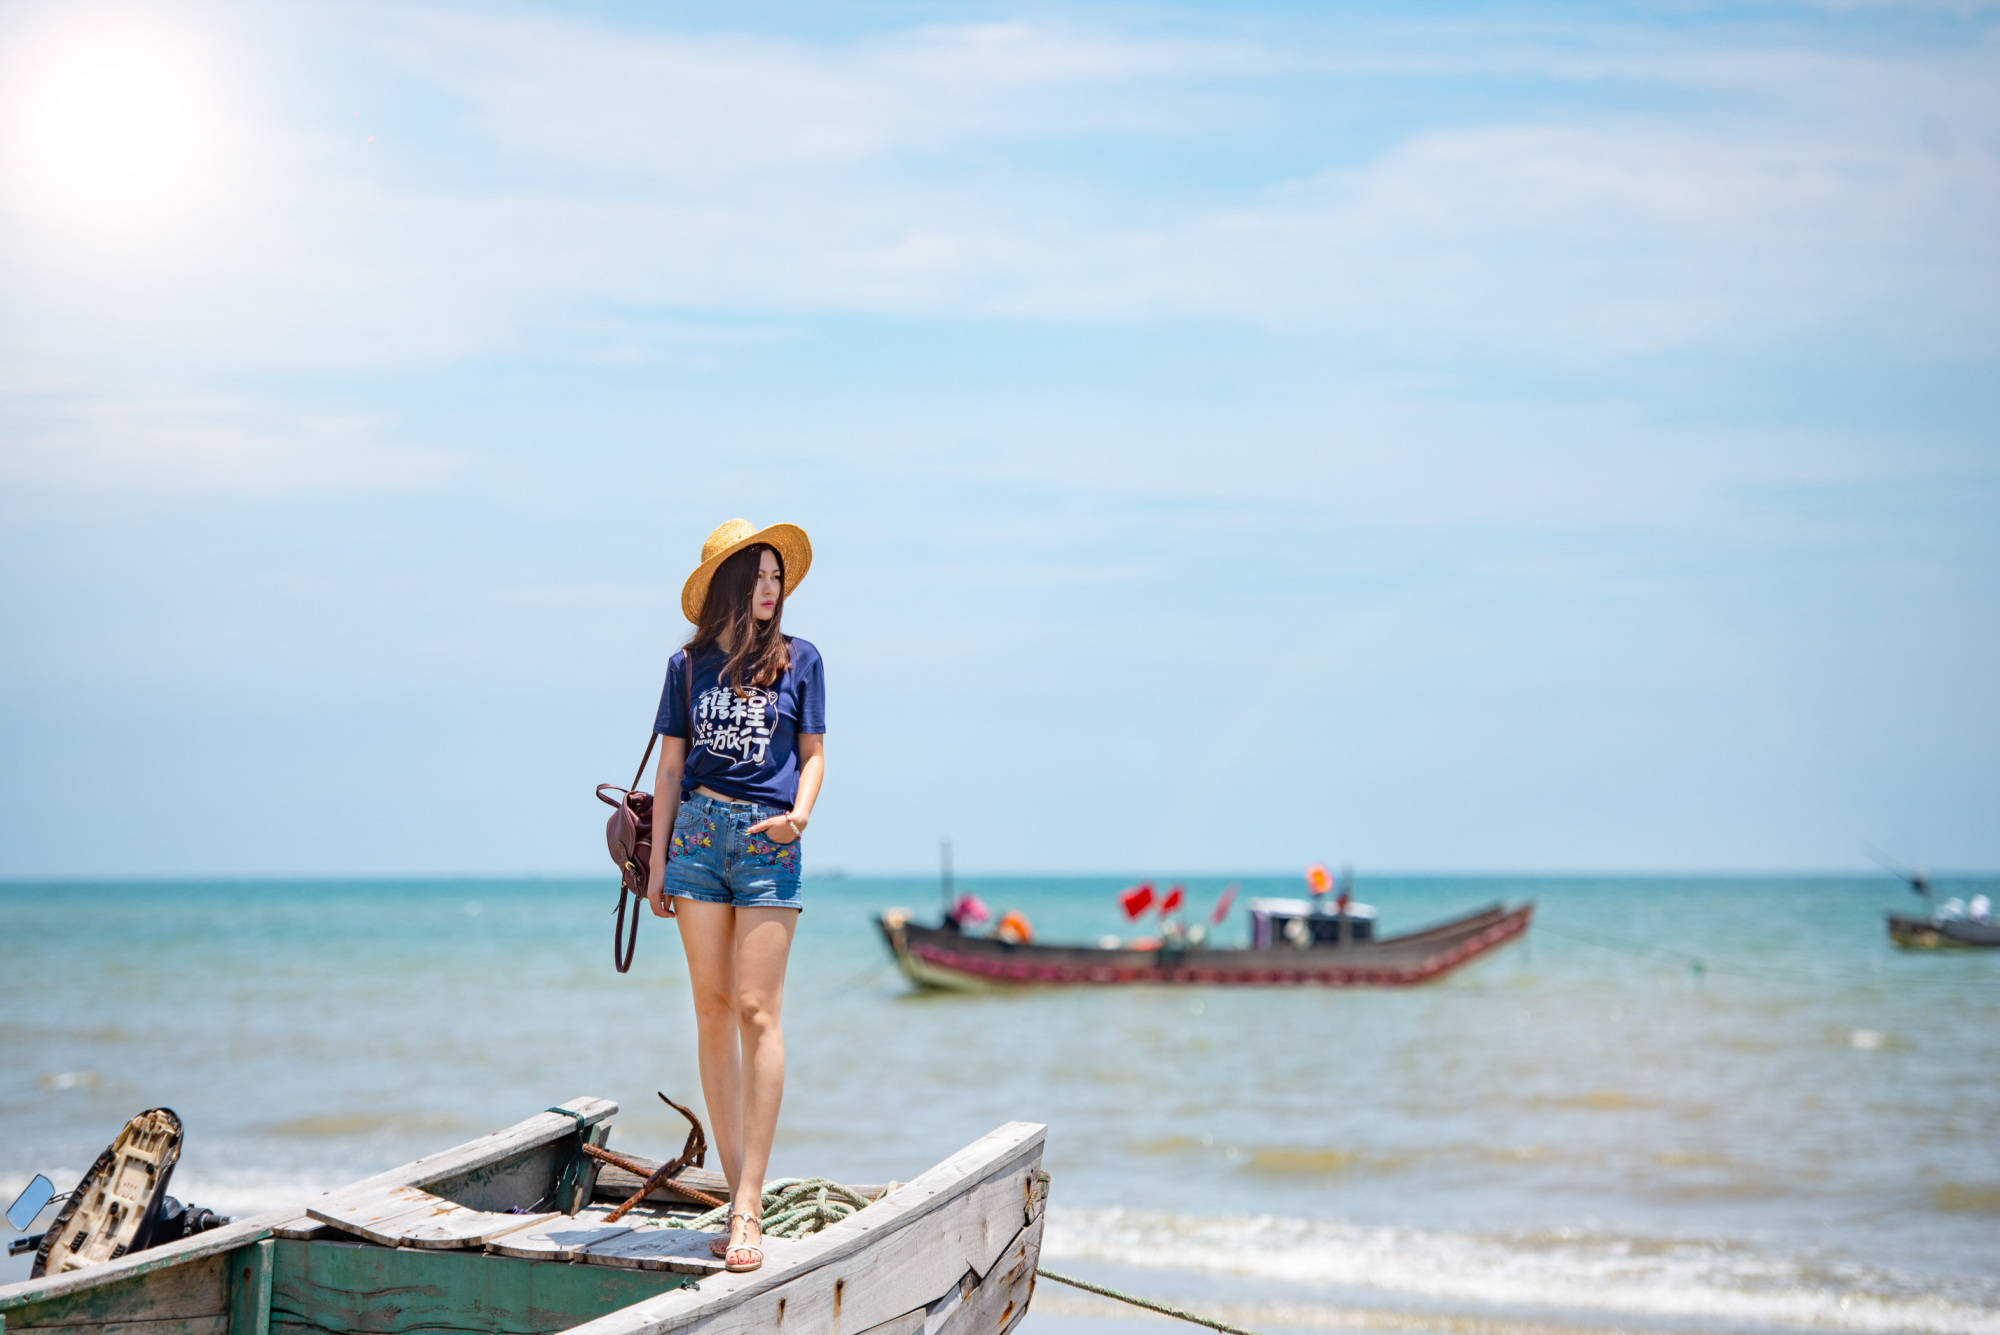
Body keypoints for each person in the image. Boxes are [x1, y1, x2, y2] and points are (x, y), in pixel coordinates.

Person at [643, 518, 826, 1275]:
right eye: (756, 574)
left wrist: (799, 817)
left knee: (758, 1011)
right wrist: (656, 866)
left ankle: (750, 1205)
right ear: (726, 582)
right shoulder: (687, 666)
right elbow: (670, 766)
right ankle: (734, 1190)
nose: (769, 588)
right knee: (712, 1008)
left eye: (775, 576)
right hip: (692, 839)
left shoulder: (802, 659)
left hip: (766, 841)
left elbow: (814, 754)